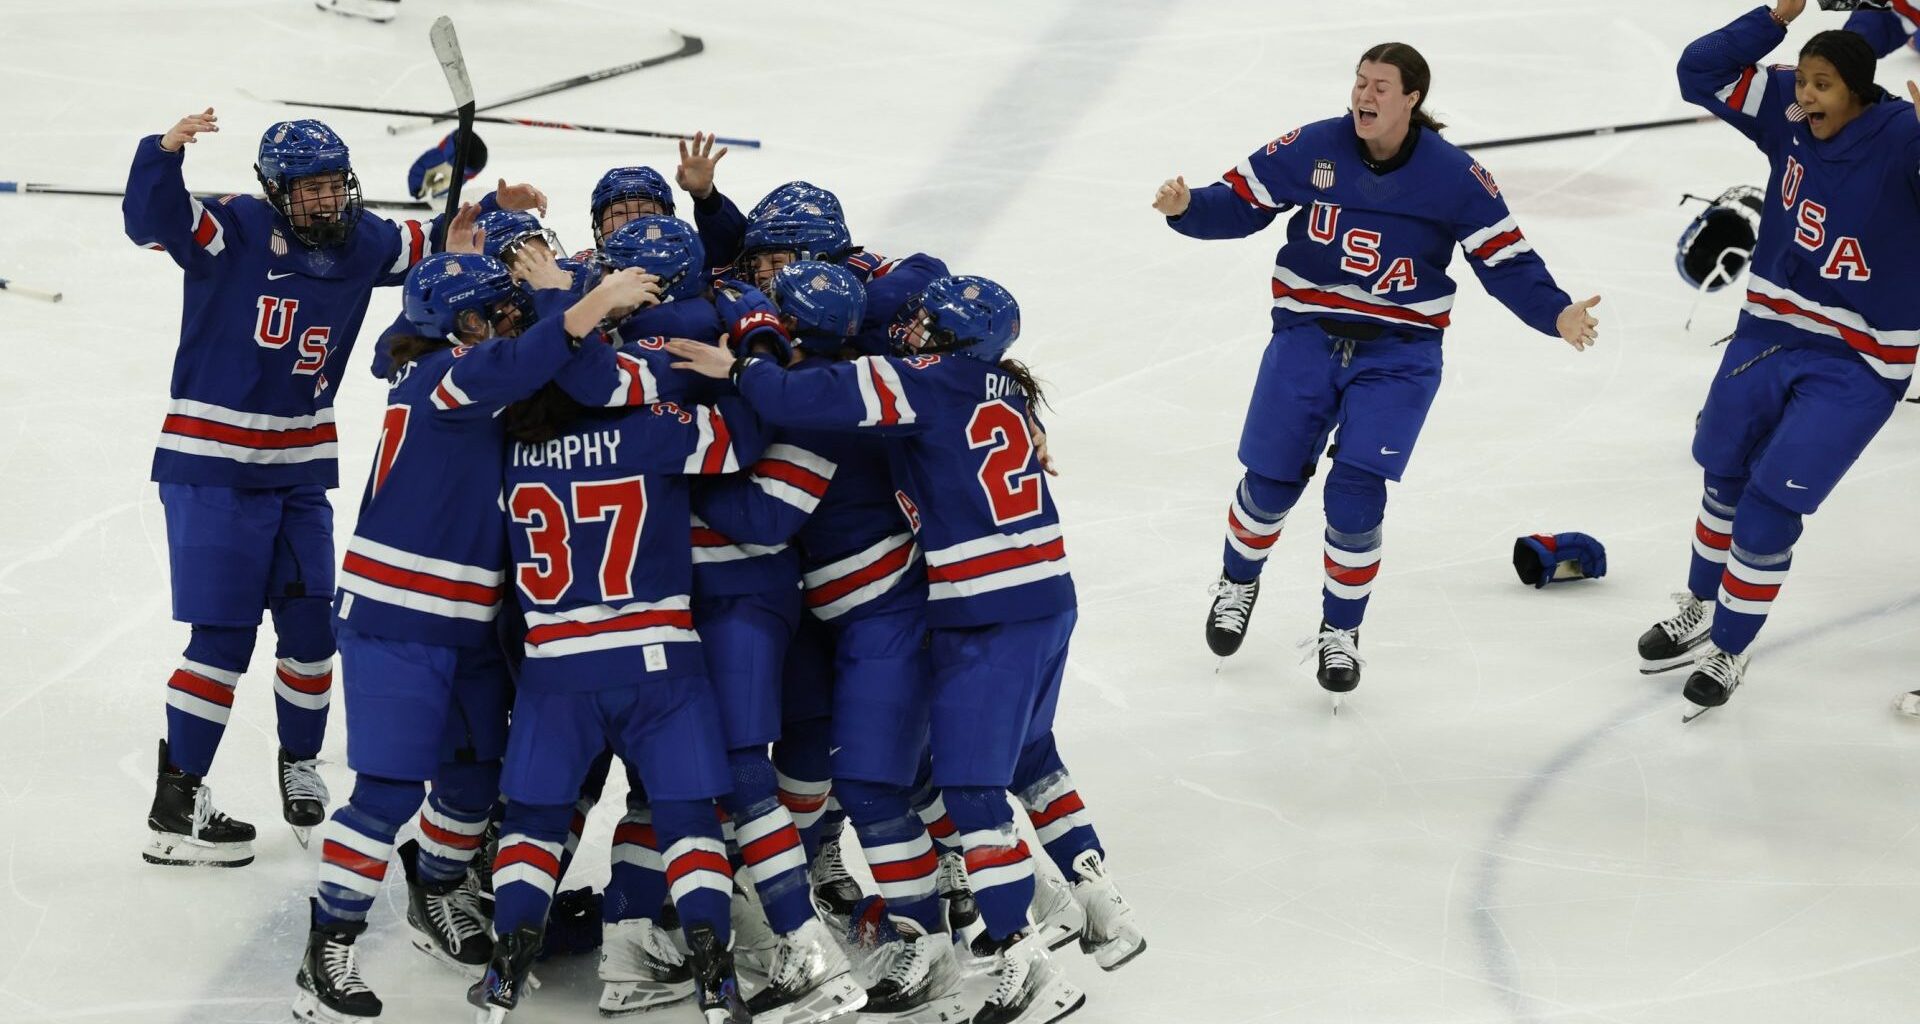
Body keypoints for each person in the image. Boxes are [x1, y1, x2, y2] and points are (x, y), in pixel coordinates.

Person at [669, 275, 1145, 1024]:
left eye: (930, 323)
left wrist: (739, 373)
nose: (914, 329)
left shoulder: (906, 384)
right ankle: (1089, 894)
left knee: (925, 787)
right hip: (1035, 594)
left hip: (959, 609)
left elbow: (785, 444)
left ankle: (1006, 953)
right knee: (1025, 757)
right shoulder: (1000, 384)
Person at [1151, 43, 1600, 700]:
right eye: (1360, 82)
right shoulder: (1312, 146)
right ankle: (1237, 583)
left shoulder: (1454, 176)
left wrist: (1557, 312)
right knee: (1270, 486)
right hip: (1306, 335)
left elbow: (1506, 261)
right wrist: (1188, 208)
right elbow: (1240, 201)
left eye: (1380, 86)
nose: (1364, 95)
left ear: (1411, 99)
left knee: (1355, 497)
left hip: (1400, 354)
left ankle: (1341, 633)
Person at [291, 253, 662, 1023]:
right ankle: (328, 947)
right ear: (458, 325)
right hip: (398, 619)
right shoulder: (446, 377)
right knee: (389, 791)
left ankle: (435, 892)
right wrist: (590, 302)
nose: (506, 320)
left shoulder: (442, 361)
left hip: (469, 620)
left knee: (471, 780)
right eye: (491, 313)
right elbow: (525, 355)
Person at [124, 110, 470, 865]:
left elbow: (442, 249)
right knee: (222, 641)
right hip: (212, 465)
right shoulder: (234, 229)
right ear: (274, 191)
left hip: (300, 471)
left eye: (330, 186)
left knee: (314, 629)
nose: (322, 201)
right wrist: (163, 152)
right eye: (305, 189)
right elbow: (150, 219)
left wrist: (469, 185)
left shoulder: (366, 239)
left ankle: (299, 763)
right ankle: (177, 805)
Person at [692, 261, 969, 1020]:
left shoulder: (817, 407)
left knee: (876, 787)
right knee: (906, 774)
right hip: (888, 611)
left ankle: (931, 944)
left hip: (883, 618)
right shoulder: (859, 381)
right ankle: (1000, 898)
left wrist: (675, 477)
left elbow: (765, 520)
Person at [1644, 1, 1920, 716]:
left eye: (1823, 84)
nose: (1806, 95)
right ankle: (1701, 604)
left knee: (1772, 505)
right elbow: (1697, 70)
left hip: (1859, 360)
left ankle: (1732, 647)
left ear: (1857, 91)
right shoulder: (1789, 113)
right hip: (1768, 331)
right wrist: (1776, 15)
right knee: (1722, 474)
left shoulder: (1904, 138)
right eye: (1804, 81)